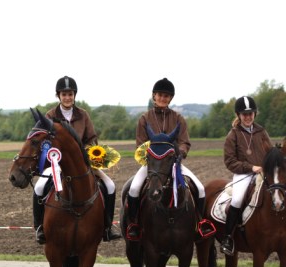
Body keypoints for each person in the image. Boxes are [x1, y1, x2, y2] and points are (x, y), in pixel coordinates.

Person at [32, 75, 121, 244]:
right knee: (39, 187)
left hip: (81, 164)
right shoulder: (50, 115)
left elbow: (92, 139)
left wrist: (86, 153)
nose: (67, 97)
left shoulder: (83, 115)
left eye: (70, 94)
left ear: (74, 95)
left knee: (110, 185)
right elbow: (45, 141)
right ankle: (39, 227)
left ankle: (107, 227)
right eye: (64, 94)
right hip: (57, 163)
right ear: (58, 95)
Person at [126, 78, 214, 240]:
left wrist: (178, 153)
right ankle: (134, 224)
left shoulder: (178, 118)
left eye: (166, 96)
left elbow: (184, 142)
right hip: (152, 165)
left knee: (200, 188)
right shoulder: (145, 119)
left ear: (171, 98)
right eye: (160, 95)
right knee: (133, 189)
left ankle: (200, 223)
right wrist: (151, 156)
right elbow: (141, 144)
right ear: (154, 96)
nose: (162, 98)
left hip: (173, 164)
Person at [220, 96, 272, 256]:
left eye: (250, 114)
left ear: (255, 114)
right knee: (236, 199)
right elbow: (230, 161)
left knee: (279, 193)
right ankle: (228, 237)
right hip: (243, 174)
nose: (248, 117)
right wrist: (251, 167)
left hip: (263, 173)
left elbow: (269, 152)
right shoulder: (233, 135)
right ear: (239, 115)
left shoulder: (261, 131)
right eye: (244, 114)